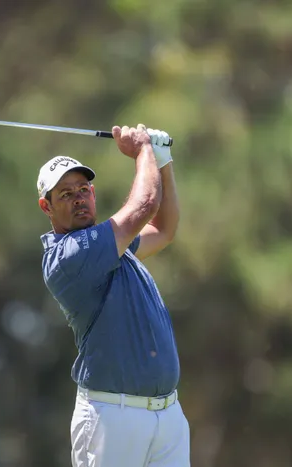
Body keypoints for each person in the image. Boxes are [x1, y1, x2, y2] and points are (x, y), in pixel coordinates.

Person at [36, 123, 189, 466]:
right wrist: (143, 150)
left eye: (83, 189)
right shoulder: (70, 256)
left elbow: (164, 229)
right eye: (65, 194)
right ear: (46, 207)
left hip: (168, 416)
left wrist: (163, 160)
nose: (79, 198)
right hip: (112, 418)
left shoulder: (110, 247)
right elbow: (145, 204)